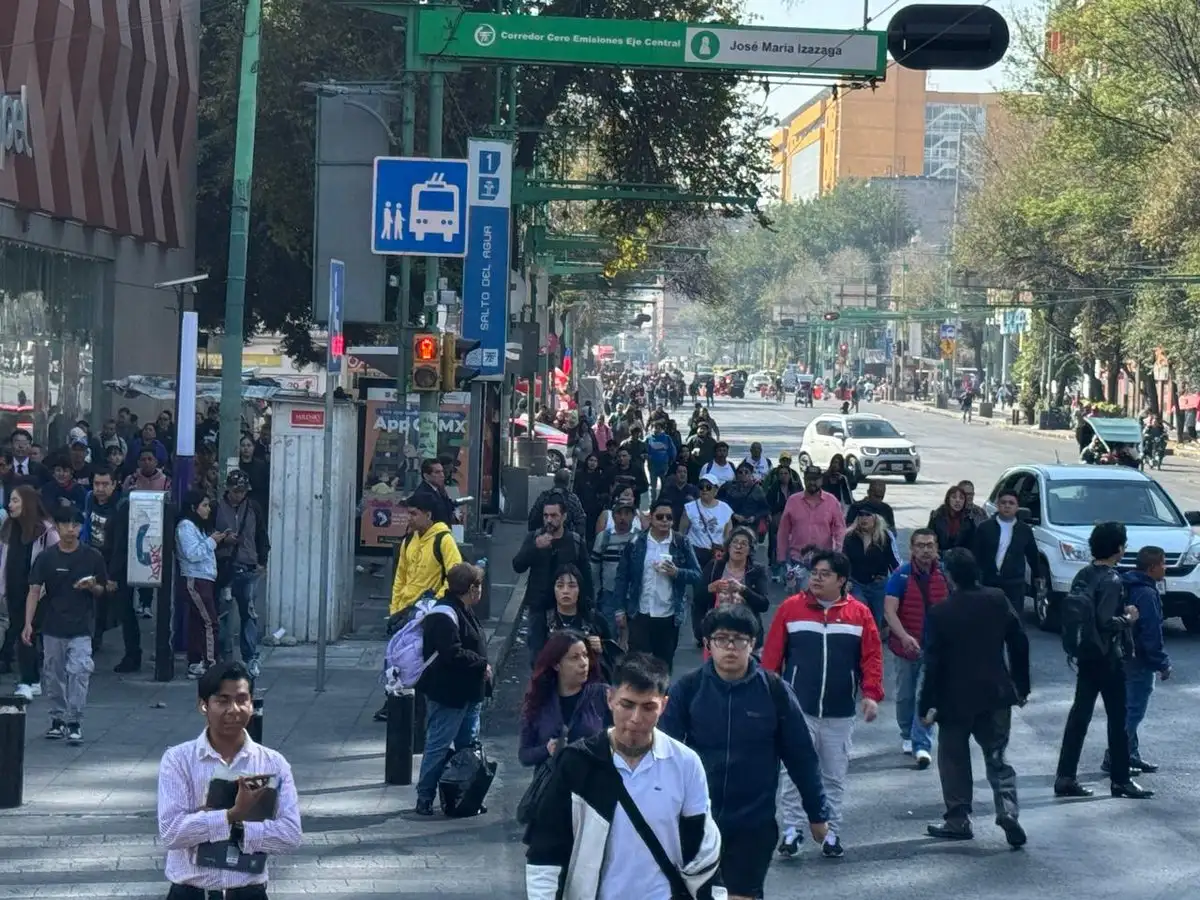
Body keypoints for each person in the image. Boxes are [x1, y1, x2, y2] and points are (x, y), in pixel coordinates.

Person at [523, 652, 724, 900]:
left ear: (664, 705)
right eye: (627, 704)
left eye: (648, 707)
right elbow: (546, 850)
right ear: (610, 699)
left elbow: (702, 848)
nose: (635, 718)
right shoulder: (577, 763)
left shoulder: (685, 764)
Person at [661, 604, 829, 899]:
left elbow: (802, 756)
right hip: (696, 821)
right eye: (721, 638)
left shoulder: (774, 692)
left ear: (753, 644)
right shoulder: (688, 690)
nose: (730, 647)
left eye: (739, 639)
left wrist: (817, 812)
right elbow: (662, 754)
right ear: (707, 644)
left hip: (753, 824)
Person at [762, 550, 882, 859]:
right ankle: (792, 830)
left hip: (840, 711)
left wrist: (871, 694)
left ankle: (831, 832)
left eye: (824, 573)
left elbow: (871, 657)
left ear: (842, 580)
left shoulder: (860, 614)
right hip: (797, 709)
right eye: (814, 572)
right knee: (793, 773)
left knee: (833, 774)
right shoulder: (791, 609)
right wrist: (768, 696)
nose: (816, 577)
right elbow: (772, 657)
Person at [157, 661, 303, 898]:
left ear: (252, 704)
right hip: (192, 892)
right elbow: (172, 833)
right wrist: (231, 815)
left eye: (242, 699)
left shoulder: (273, 763)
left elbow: (290, 836)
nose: (233, 709)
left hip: (248, 892)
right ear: (203, 706)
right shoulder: (178, 760)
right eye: (222, 701)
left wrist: (235, 827)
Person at [919, 548, 1030, 847]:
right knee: (997, 755)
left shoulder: (941, 612)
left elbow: (933, 663)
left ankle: (958, 818)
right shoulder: (997, 599)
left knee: (953, 758)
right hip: (995, 692)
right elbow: (1019, 641)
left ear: (950, 576)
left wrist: (925, 703)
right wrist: (1021, 685)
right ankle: (1007, 810)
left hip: (954, 698)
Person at [1054, 522, 1153, 800]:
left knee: (1079, 716)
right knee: (1118, 718)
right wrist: (1129, 618)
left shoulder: (1083, 575)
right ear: (1118, 548)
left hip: (1085, 654)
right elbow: (1105, 621)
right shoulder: (1111, 580)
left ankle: (1065, 776)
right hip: (1108, 657)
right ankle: (1120, 779)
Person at [21, 505, 106, 744]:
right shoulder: (46, 558)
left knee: (79, 672)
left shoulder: (92, 557)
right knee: (53, 674)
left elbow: (104, 588)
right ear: (57, 527)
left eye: (75, 525)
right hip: (52, 625)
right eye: (66, 524)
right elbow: (34, 591)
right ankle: (57, 718)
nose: (71, 529)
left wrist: (93, 587)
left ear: (81, 527)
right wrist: (28, 623)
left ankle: (75, 720)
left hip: (81, 626)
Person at [414, 563, 491, 816]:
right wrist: (482, 664)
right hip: (448, 694)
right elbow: (451, 653)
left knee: (468, 747)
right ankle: (425, 798)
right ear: (471, 588)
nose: (481, 591)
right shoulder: (444, 615)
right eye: (479, 586)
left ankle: (464, 797)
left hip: (468, 694)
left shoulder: (463, 609)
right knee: (438, 744)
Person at [882, 528, 949, 770]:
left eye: (930, 545)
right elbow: (889, 611)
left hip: (935, 650)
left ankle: (922, 743)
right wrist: (904, 637)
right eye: (920, 545)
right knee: (906, 694)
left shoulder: (945, 575)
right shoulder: (900, 576)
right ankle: (906, 733)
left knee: (926, 695)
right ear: (911, 548)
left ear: (936, 548)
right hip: (905, 648)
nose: (925, 550)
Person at [612, 498, 702, 672]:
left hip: (668, 617)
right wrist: (620, 609)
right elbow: (622, 577)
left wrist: (677, 573)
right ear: (651, 518)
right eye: (660, 517)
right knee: (638, 666)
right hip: (640, 613)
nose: (665, 521)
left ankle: (662, 699)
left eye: (669, 517)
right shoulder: (636, 542)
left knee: (664, 666)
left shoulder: (681, 543)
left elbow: (697, 575)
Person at [1104, 546, 1172, 775]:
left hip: (1122, 653)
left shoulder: (1127, 584)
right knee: (1133, 710)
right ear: (1152, 568)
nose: (1166, 568)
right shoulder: (1147, 593)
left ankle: (1130, 755)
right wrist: (1161, 662)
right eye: (1163, 563)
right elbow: (1151, 631)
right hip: (1139, 658)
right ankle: (1116, 757)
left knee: (1126, 706)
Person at [514, 499, 594, 665]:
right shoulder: (535, 537)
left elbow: (586, 576)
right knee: (538, 657)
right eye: (546, 516)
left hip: (567, 608)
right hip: (539, 608)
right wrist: (535, 547)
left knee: (567, 654)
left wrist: (588, 607)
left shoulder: (575, 541)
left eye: (554, 515)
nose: (549, 520)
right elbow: (518, 565)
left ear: (563, 516)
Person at [519, 629, 609, 768]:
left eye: (585, 655)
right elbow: (524, 755)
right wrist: (547, 750)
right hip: (553, 783)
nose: (583, 663)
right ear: (556, 665)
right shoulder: (539, 700)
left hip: (593, 782)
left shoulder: (602, 694)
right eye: (574, 657)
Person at [0, 486, 59, 697]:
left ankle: (28, 680)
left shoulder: (45, 530)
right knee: (20, 631)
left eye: (15, 501)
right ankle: (31, 678)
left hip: (37, 592)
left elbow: (57, 556)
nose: (10, 505)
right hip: (14, 589)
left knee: (29, 631)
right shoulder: (9, 526)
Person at [213, 470, 270, 679]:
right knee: (223, 614)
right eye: (235, 491)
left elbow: (262, 534)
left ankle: (250, 657)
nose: (238, 495)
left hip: (248, 566)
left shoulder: (253, 507)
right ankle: (224, 658)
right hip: (224, 566)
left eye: (242, 491)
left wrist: (262, 561)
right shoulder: (216, 507)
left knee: (249, 614)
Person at [176, 490, 225, 679]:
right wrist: (212, 542)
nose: (207, 509)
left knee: (198, 622)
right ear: (193, 507)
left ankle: (196, 661)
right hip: (195, 578)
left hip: (204, 577)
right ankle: (210, 661)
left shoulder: (198, 527)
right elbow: (192, 553)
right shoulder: (186, 527)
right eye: (204, 505)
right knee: (209, 621)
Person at [390, 492, 462, 615]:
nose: (409, 518)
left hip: (428, 613)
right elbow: (400, 578)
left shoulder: (444, 539)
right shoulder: (408, 540)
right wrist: (394, 609)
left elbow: (455, 578)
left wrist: (433, 604)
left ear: (428, 515)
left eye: (414, 513)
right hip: (404, 612)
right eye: (408, 513)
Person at [776, 466, 845, 590]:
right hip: (798, 561)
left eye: (815, 479)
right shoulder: (793, 500)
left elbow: (839, 529)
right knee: (800, 602)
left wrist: (838, 553)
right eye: (809, 479)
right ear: (804, 479)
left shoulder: (832, 501)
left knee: (821, 601)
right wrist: (781, 558)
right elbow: (783, 531)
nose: (812, 482)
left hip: (823, 562)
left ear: (821, 480)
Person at [974, 489, 1040, 617]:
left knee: (1013, 621)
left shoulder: (1024, 530)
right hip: (989, 583)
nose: (1007, 506)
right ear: (998, 505)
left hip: (1014, 585)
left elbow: (1032, 555)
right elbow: (976, 554)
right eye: (1003, 502)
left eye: (1011, 503)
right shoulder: (985, 527)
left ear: (1017, 507)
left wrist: (1037, 577)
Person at [699, 528, 769, 647]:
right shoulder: (714, 566)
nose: (738, 546)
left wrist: (743, 590)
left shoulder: (757, 571)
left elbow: (764, 604)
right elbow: (697, 597)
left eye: (743, 544)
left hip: (747, 632)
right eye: (735, 542)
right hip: (718, 630)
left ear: (749, 549)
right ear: (728, 546)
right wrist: (711, 588)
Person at [843, 503, 898, 630]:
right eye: (861, 515)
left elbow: (894, 561)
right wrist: (844, 581)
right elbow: (844, 561)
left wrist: (901, 581)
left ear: (876, 518)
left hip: (879, 585)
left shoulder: (886, 536)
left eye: (868, 515)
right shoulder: (850, 537)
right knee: (860, 613)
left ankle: (873, 646)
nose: (864, 518)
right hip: (857, 583)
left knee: (876, 621)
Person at [528, 468, 588, 540]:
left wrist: (534, 534)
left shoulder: (544, 496)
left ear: (554, 480)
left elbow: (533, 516)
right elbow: (580, 520)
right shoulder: (573, 498)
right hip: (565, 537)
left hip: (545, 534)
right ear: (568, 482)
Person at [927, 485, 977, 556]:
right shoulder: (937, 517)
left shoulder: (969, 520)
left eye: (961, 498)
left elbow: (972, 545)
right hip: (938, 557)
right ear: (948, 499)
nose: (957, 501)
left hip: (960, 559)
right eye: (954, 497)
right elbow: (929, 538)